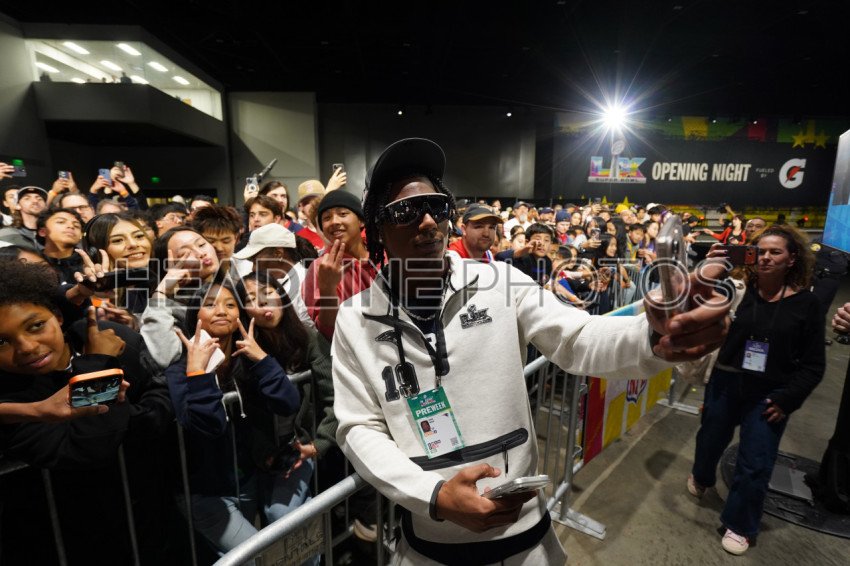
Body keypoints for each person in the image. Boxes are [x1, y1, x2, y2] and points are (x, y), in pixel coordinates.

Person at [333, 138, 730, 564]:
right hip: (429, 549)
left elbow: (578, 338)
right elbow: (359, 428)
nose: (428, 221)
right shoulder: (356, 320)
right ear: (377, 229)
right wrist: (433, 496)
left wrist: (654, 336)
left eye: (437, 206)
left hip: (527, 543)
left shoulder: (500, 283)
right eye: (406, 211)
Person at [0, 261, 173, 564]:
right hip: (75, 538)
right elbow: (91, 447)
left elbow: (161, 390)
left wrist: (133, 419)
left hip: (153, 508)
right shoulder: (12, 401)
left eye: (36, 325)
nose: (26, 347)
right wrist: (98, 364)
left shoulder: (112, 337)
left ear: (57, 316)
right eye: (2, 341)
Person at [688, 224, 824, 556]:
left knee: (756, 461)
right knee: (709, 440)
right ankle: (702, 476)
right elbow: (693, 299)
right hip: (726, 382)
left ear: (792, 259)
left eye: (775, 252)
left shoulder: (807, 304)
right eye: (759, 251)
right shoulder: (736, 289)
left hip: (770, 392)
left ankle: (740, 524)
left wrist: (787, 399)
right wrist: (709, 268)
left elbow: (813, 364)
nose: (765, 257)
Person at [166, 279, 302, 558]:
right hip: (205, 493)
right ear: (194, 316)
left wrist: (262, 359)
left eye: (230, 305)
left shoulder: (248, 362)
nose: (221, 311)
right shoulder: (180, 371)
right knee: (260, 556)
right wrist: (199, 374)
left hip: (245, 481)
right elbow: (209, 426)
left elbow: (288, 402)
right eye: (210, 305)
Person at [301, 190, 376, 340]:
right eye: (327, 218)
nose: (334, 221)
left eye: (342, 214)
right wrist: (328, 289)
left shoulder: (382, 253)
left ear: (361, 221)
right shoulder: (320, 268)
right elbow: (327, 331)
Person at [232, 223, 314, 329]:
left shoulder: (305, 283)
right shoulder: (279, 284)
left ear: (278, 253)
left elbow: (309, 331)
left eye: (256, 261)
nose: (253, 269)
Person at [84, 213, 154, 317]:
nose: (133, 244)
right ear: (95, 251)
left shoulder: (158, 281)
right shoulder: (91, 294)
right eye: (117, 240)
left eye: (139, 236)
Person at [37, 208, 84, 284]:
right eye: (61, 222)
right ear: (43, 232)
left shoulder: (88, 264)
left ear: (80, 236)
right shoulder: (31, 263)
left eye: (76, 225)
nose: (71, 226)